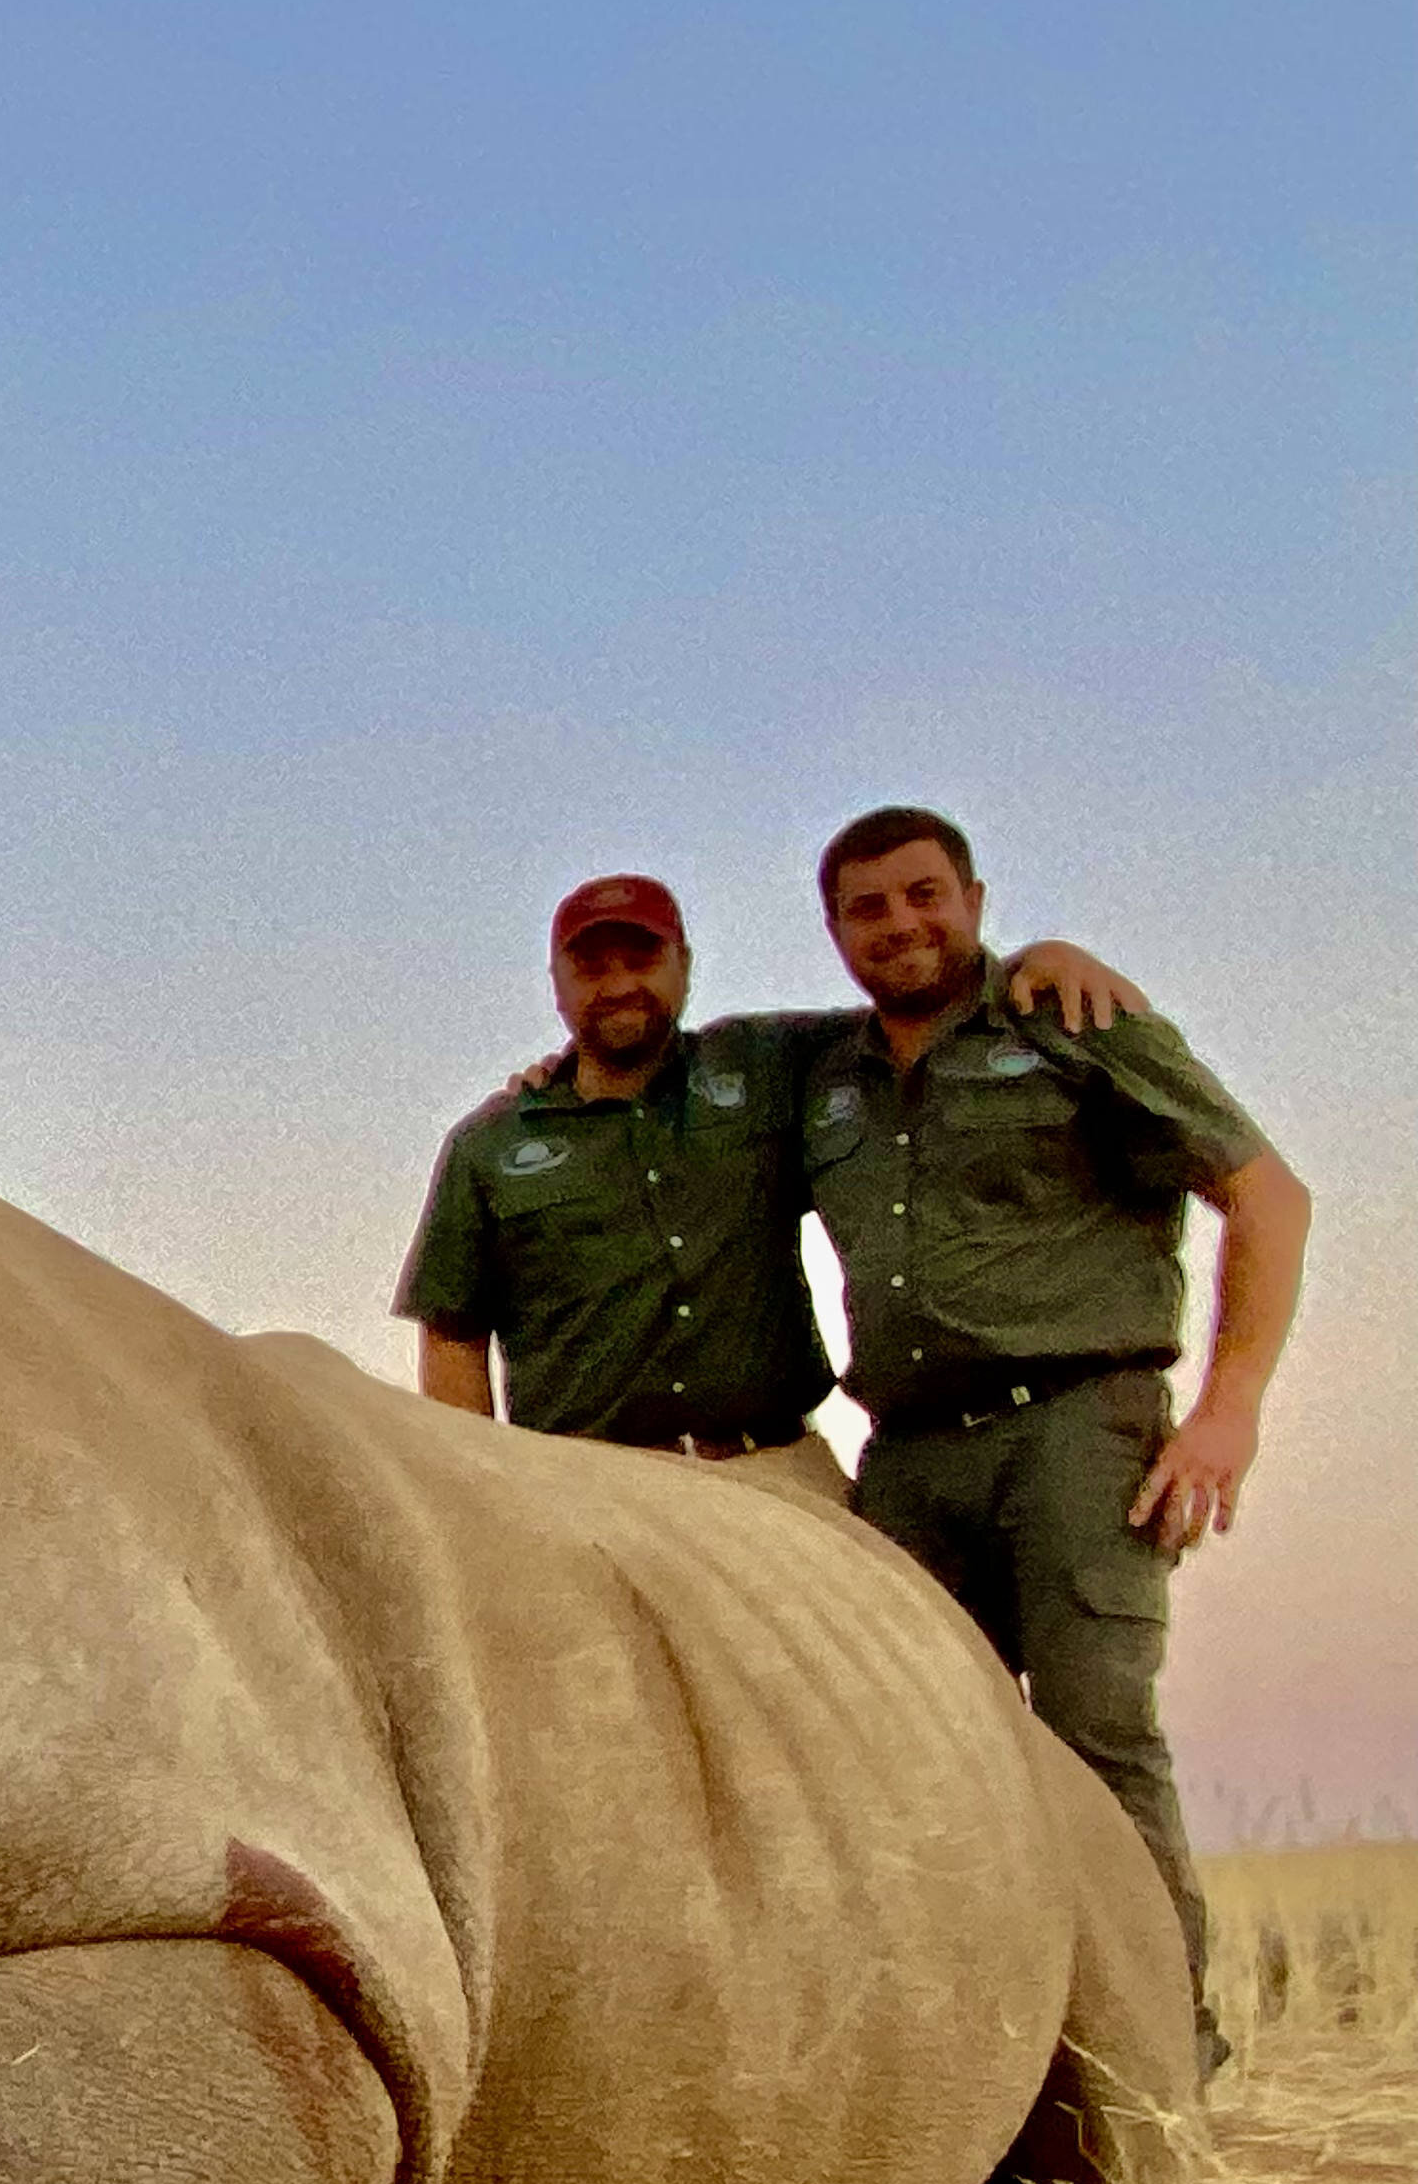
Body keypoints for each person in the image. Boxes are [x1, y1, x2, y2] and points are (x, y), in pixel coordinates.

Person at [801, 805, 1311, 2044]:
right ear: (834, 931)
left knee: (1096, 1742)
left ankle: (1159, 2067)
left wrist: (1228, 1411)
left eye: (925, 894)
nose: (901, 925)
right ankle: (980, 2073)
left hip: (1079, 1428)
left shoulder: (1073, 1017)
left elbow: (1265, 1192)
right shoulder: (817, 1074)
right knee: (917, 1761)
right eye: (868, 908)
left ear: (975, 896)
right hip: (910, 1460)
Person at [396, 874, 1140, 1508]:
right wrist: (483, 1494)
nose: (619, 983)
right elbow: (454, 1332)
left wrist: (1032, 960)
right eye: (592, 967)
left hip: (778, 1477)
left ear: (685, 964)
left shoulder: (773, 1063)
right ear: (555, 986)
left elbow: (920, 1014)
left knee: (879, 1667)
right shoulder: (486, 1146)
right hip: (589, 1492)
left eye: (643, 956)